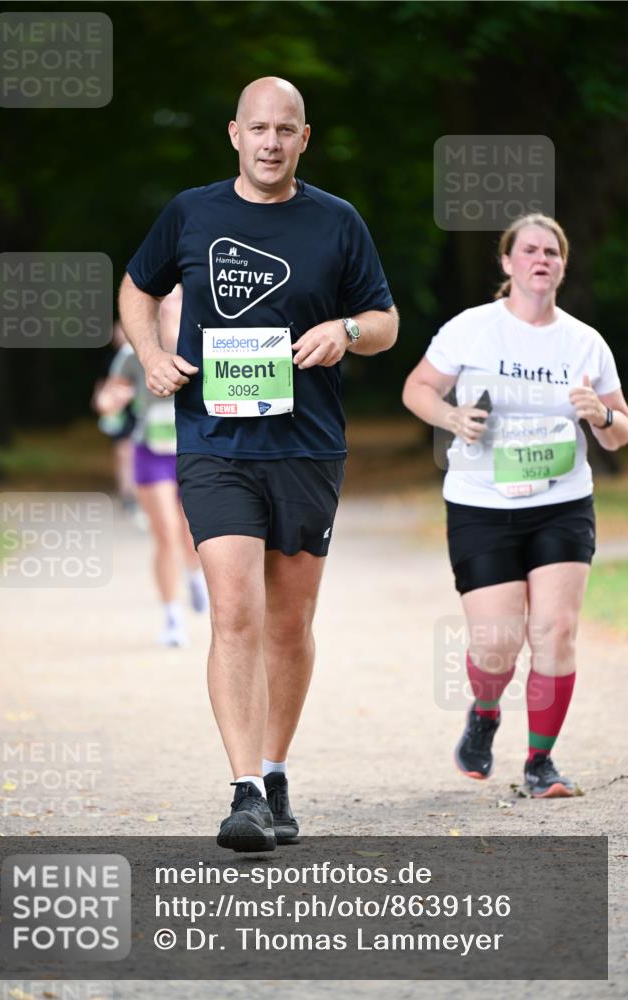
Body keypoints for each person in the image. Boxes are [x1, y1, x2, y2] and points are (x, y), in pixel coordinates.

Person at [118, 77, 398, 850]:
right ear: (234, 134)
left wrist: (345, 329)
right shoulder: (191, 212)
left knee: (288, 623)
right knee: (235, 611)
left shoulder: (336, 221)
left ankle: (274, 770)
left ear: (304, 137)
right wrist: (150, 355)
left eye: (286, 129)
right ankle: (242, 792)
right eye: (258, 128)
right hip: (215, 441)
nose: (271, 142)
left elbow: (385, 321)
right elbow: (137, 288)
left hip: (307, 445)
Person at [403, 214, 628, 797]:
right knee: (497, 645)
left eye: (552, 251)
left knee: (556, 629)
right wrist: (451, 417)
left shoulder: (585, 342)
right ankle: (484, 712)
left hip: (562, 500)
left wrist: (601, 415)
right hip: (481, 502)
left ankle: (540, 762)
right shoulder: (472, 329)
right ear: (507, 263)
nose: (541, 259)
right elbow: (417, 388)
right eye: (529, 250)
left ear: (562, 264)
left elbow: (618, 432)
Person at [95, 287, 208, 647]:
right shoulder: (133, 353)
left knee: (192, 535)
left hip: (196, 453)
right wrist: (110, 402)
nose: (168, 306)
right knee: (166, 534)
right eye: (162, 300)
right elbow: (108, 398)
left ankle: (194, 576)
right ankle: (173, 617)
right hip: (151, 451)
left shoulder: (206, 345)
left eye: (176, 298)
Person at [92, 321, 138, 515]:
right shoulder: (110, 360)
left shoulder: (142, 358)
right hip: (120, 413)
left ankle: (140, 493)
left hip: (140, 411)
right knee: (123, 453)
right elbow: (102, 385)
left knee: (137, 452)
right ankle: (127, 494)